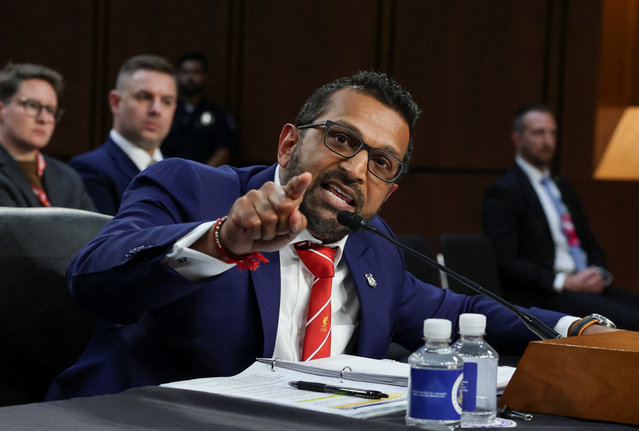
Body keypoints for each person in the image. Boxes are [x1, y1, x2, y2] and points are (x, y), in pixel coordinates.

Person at [47, 73, 613, 401]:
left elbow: (459, 306)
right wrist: (220, 241)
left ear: (389, 190)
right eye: (343, 140)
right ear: (289, 143)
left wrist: (575, 328)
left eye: (383, 163)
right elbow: (94, 277)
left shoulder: (373, 248)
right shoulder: (191, 187)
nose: (359, 170)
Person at [482, 103, 639, 330]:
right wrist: (563, 281)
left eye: (552, 133)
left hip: (587, 288)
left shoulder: (562, 187)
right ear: (517, 138)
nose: (547, 141)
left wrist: (599, 274)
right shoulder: (505, 191)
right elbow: (506, 261)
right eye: (538, 133)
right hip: (546, 294)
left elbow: (589, 242)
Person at [69, 55, 177, 215]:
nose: (156, 109)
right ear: (115, 102)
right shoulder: (89, 169)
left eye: (166, 101)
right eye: (145, 97)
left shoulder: (180, 173)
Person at [0, 63, 95, 210]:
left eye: (50, 110)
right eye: (32, 105)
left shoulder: (68, 177)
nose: (44, 119)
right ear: (1, 109)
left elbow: (95, 230)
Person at [161, 52, 236, 167]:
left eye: (196, 72)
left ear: (205, 76)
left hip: (204, 176)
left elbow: (224, 150)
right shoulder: (164, 110)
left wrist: (202, 175)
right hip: (166, 173)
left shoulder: (218, 114)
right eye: (185, 72)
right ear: (177, 76)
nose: (190, 78)